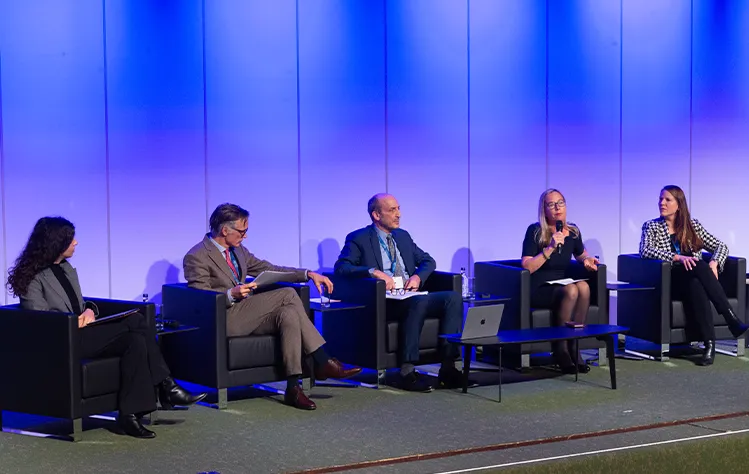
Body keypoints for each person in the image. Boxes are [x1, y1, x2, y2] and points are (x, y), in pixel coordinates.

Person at [6, 217, 206, 439]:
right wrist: (73, 319)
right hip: (62, 341)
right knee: (135, 322)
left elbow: (81, 303)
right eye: (71, 239)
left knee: (135, 341)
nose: (76, 243)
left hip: (82, 332)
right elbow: (39, 320)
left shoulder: (65, 268)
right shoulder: (32, 277)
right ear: (56, 242)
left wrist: (90, 311)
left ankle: (129, 417)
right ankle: (167, 385)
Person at [183, 203, 361, 411]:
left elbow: (271, 269)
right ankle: (323, 360)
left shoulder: (238, 251)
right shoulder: (197, 256)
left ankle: (294, 387)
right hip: (224, 318)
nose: (245, 236)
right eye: (242, 231)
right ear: (225, 230)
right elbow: (199, 299)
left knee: (289, 313)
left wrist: (308, 274)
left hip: (248, 314)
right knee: (287, 294)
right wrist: (230, 294)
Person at [334, 194, 463, 393]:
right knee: (418, 302)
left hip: (409, 293)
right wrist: (372, 272)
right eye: (392, 210)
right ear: (376, 215)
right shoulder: (358, 238)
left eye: (398, 209)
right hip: (384, 300)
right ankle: (406, 371)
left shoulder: (403, 236)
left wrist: (418, 277)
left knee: (452, 298)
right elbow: (341, 268)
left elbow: (428, 261)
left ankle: (448, 366)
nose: (398, 215)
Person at [640, 185, 749, 366]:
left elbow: (721, 247)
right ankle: (731, 318)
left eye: (667, 200)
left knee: (697, 282)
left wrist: (714, 263)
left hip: (693, 279)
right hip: (670, 280)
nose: (662, 203)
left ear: (679, 204)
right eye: (660, 199)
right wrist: (677, 257)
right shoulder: (651, 226)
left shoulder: (693, 226)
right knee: (697, 265)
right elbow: (645, 251)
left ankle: (709, 345)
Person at [521, 189, 600, 374]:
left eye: (560, 203)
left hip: (562, 282)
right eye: (551, 204)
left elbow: (582, 255)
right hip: (540, 287)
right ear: (544, 209)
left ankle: (575, 345)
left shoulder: (572, 231)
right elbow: (527, 266)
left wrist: (587, 261)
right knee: (572, 289)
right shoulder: (535, 231)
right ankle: (560, 348)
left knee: (584, 287)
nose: (557, 208)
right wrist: (549, 248)